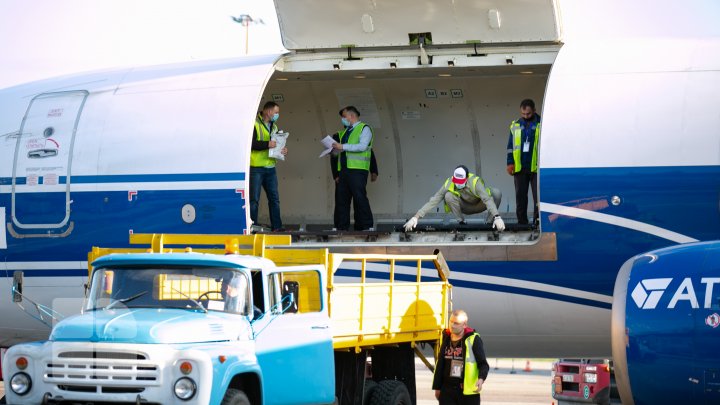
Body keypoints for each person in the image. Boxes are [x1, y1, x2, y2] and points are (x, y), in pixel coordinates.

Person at [403, 165, 505, 232]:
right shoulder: (449, 182)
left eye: (460, 181)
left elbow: (487, 199)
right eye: (456, 180)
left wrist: (497, 217)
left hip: (480, 205)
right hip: (464, 207)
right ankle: (461, 221)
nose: (457, 184)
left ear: (466, 178)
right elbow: (434, 200)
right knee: (448, 195)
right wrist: (415, 217)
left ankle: (490, 222)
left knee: (496, 193)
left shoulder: (475, 182)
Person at [330, 109, 379, 229]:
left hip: (357, 170)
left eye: (344, 116)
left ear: (351, 116)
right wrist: (333, 151)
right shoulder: (344, 132)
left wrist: (374, 170)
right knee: (342, 200)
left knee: (359, 197)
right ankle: (341, 227)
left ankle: (366, 226)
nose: (343, 119)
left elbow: (363, 147)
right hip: (344, 170)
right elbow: (337, 154)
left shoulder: (364, 128)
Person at [432, 310, 490, 405]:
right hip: (447, 390)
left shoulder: (473, 339)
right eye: (451, 321)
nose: (452, 325)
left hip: (467, 392)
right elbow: (440, 364)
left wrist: (481, 379)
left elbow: (483, 364)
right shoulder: (445, 337)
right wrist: (437, 387)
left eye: (456, 323)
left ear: (464, 325)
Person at [250, 101, 287, 231]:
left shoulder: (274, 127)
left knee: (274, 198)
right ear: (268, 111)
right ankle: (252, 227)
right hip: (256, 167)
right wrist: (267, 144)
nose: (277, 115)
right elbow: (251, 144)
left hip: (270, 167)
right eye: (276, 112)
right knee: (254, 200)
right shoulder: (254, 124)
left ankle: (277, 227)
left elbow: (275, 144)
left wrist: (281, 150)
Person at [506, 99, 540, 226]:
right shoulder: (515, 125)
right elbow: (510, 146)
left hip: (536, 168)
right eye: (523, 114)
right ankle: (522, 223)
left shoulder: (542, 124)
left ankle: (537, 222)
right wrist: (510, 163)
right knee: (520, 197)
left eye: (529, 114)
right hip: (520, 168)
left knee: (538, 198)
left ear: (534, 111)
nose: (526, 116)